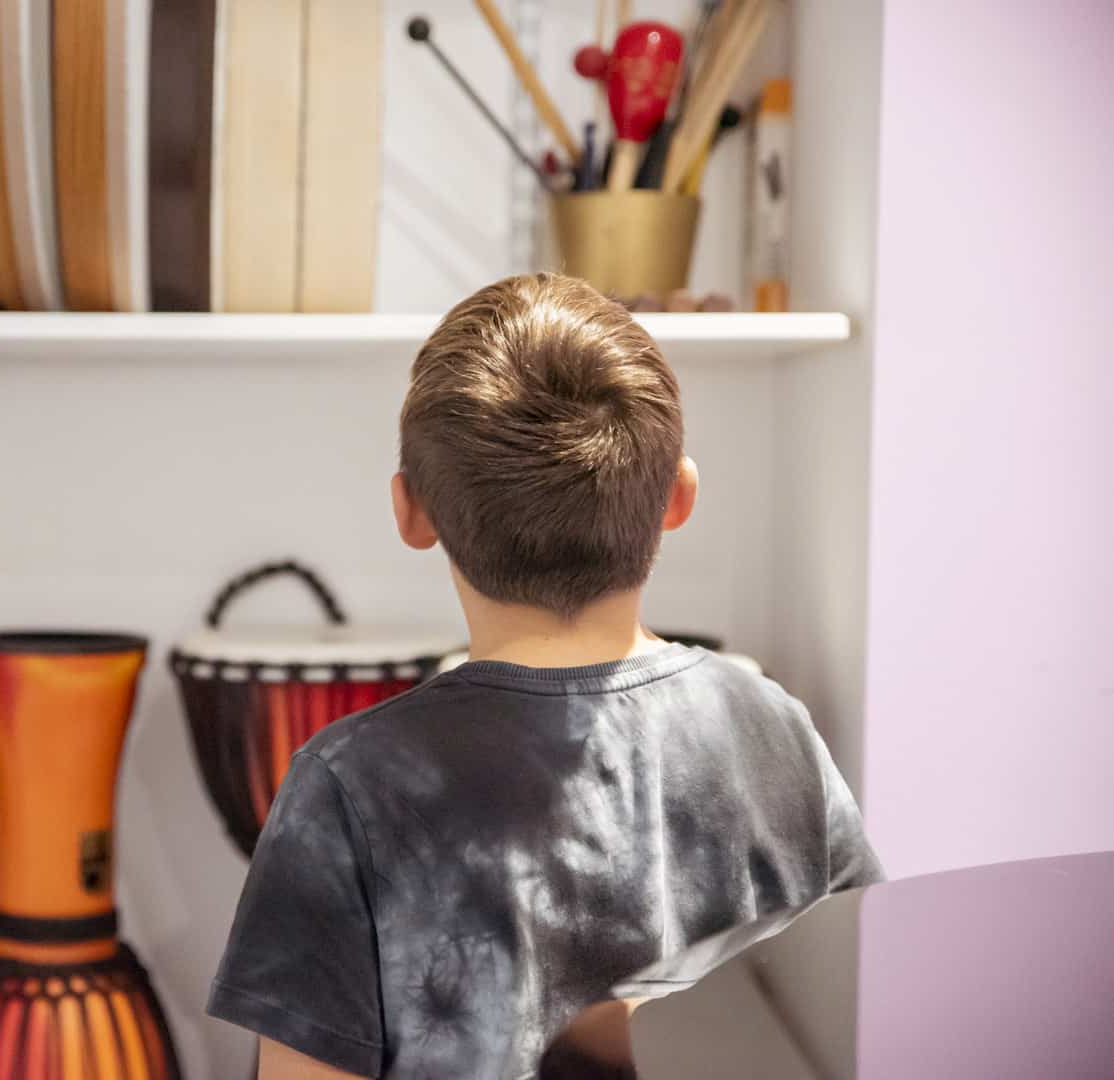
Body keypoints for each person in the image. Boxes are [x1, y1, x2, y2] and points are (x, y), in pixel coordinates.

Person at [206, 274, 882, 1078]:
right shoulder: (774, 729)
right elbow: (849, 1016)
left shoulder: (348, 785)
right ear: (677, 497)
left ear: (410, 512)